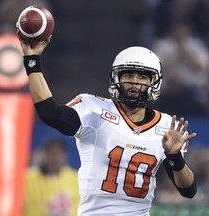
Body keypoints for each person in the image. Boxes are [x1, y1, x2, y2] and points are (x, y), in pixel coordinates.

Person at [17, 32, 197, 216]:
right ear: (117, 78)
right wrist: (32, 62)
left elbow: (188, 190)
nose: (135, 82)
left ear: (154, 82)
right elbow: (50, 113)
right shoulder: (94, 110)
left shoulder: (166, 126)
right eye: (128, 75)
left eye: (143, 77)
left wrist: (175, 157)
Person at [24, 137, 80, 216]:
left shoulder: (75, 179)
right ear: (43, 154)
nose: (55, 159)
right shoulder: (27, 178)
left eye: (58, 154)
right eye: (52, 154)